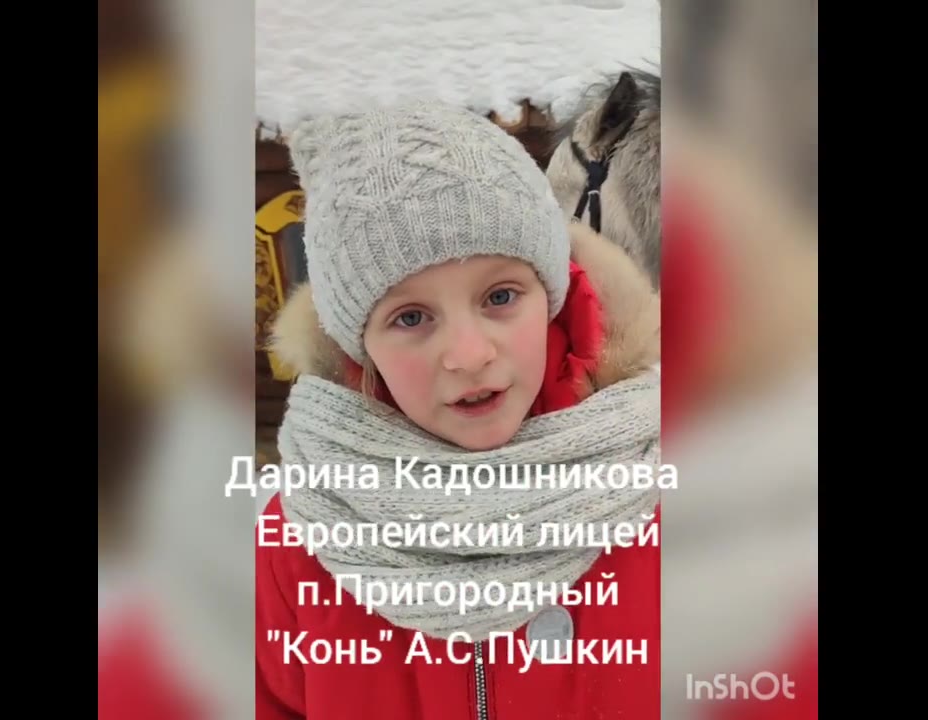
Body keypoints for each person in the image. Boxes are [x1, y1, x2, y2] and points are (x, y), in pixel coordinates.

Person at [255, 100, 666, 719]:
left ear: (552, 296)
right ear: (357, 345)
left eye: (500, 296)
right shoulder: (300, 538)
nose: (470, 355)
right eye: (410, 317)